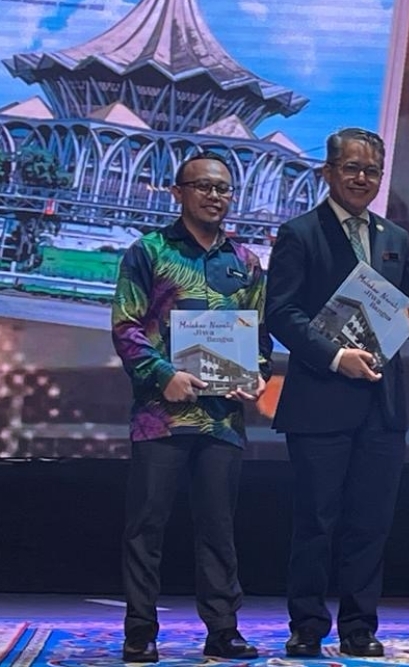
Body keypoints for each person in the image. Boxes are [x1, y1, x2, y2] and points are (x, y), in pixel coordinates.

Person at [265, 128, 409, 659]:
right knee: (316, 521)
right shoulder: (299, 233)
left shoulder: (395, 238)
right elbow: (282, 313)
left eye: (371, 171)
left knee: (371, 524)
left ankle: (360, 625)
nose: (362, 178)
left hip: (383, 405)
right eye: (351, 168)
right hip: (319, 400)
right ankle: (307, 625)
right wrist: (336, 356)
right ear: (328, 173)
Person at [112, 152, 271, 663]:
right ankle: (140, 631)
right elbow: (127, 326)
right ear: (177, 192)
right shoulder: (149, 251)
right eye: (203, 186)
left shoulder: (244, 262)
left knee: (218, 528)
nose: (215, 196)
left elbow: (259, 332)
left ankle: (223, 630)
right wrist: (166, 376)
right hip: (161, 416)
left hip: (222, 419)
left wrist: (257, 371)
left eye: (223, 189)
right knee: (146, 526)